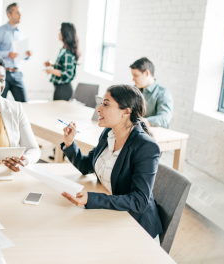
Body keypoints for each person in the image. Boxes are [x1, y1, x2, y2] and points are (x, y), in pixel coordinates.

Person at [60, 84, 163, 240]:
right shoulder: (109, 133)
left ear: (126, 112)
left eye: (106, 104)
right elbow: (87, 165)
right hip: (112, 214)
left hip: (136, 227)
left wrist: (92, 199)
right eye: (101, 103)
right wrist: (69, 144)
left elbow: (138, 201)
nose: (98, 108)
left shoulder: (146, 147)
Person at [0, 2, 31, 102]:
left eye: (20, 13)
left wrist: (26, 54)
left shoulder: (21, 33)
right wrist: (7, 54)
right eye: (17, 13)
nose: (20, 15)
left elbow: (20, 55)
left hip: (17, 73)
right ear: (9, 15)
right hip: (2, 74)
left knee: (24, 104)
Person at [130, 57, 173, 128]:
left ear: (147, 73)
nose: (133, 79)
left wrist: (139, 122)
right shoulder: (135, 90)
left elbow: (164, 120)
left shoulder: (163, 93)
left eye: (136, 75)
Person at [45, 22, 79, 101]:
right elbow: (63, 67)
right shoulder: (63, 49)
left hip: (63, 89)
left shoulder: (67, 52)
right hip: (59, 87)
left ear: (64, 33)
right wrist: (52, 64)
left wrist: (51, 71)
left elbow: (68, 73)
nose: (58, 33)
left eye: (59, 31)